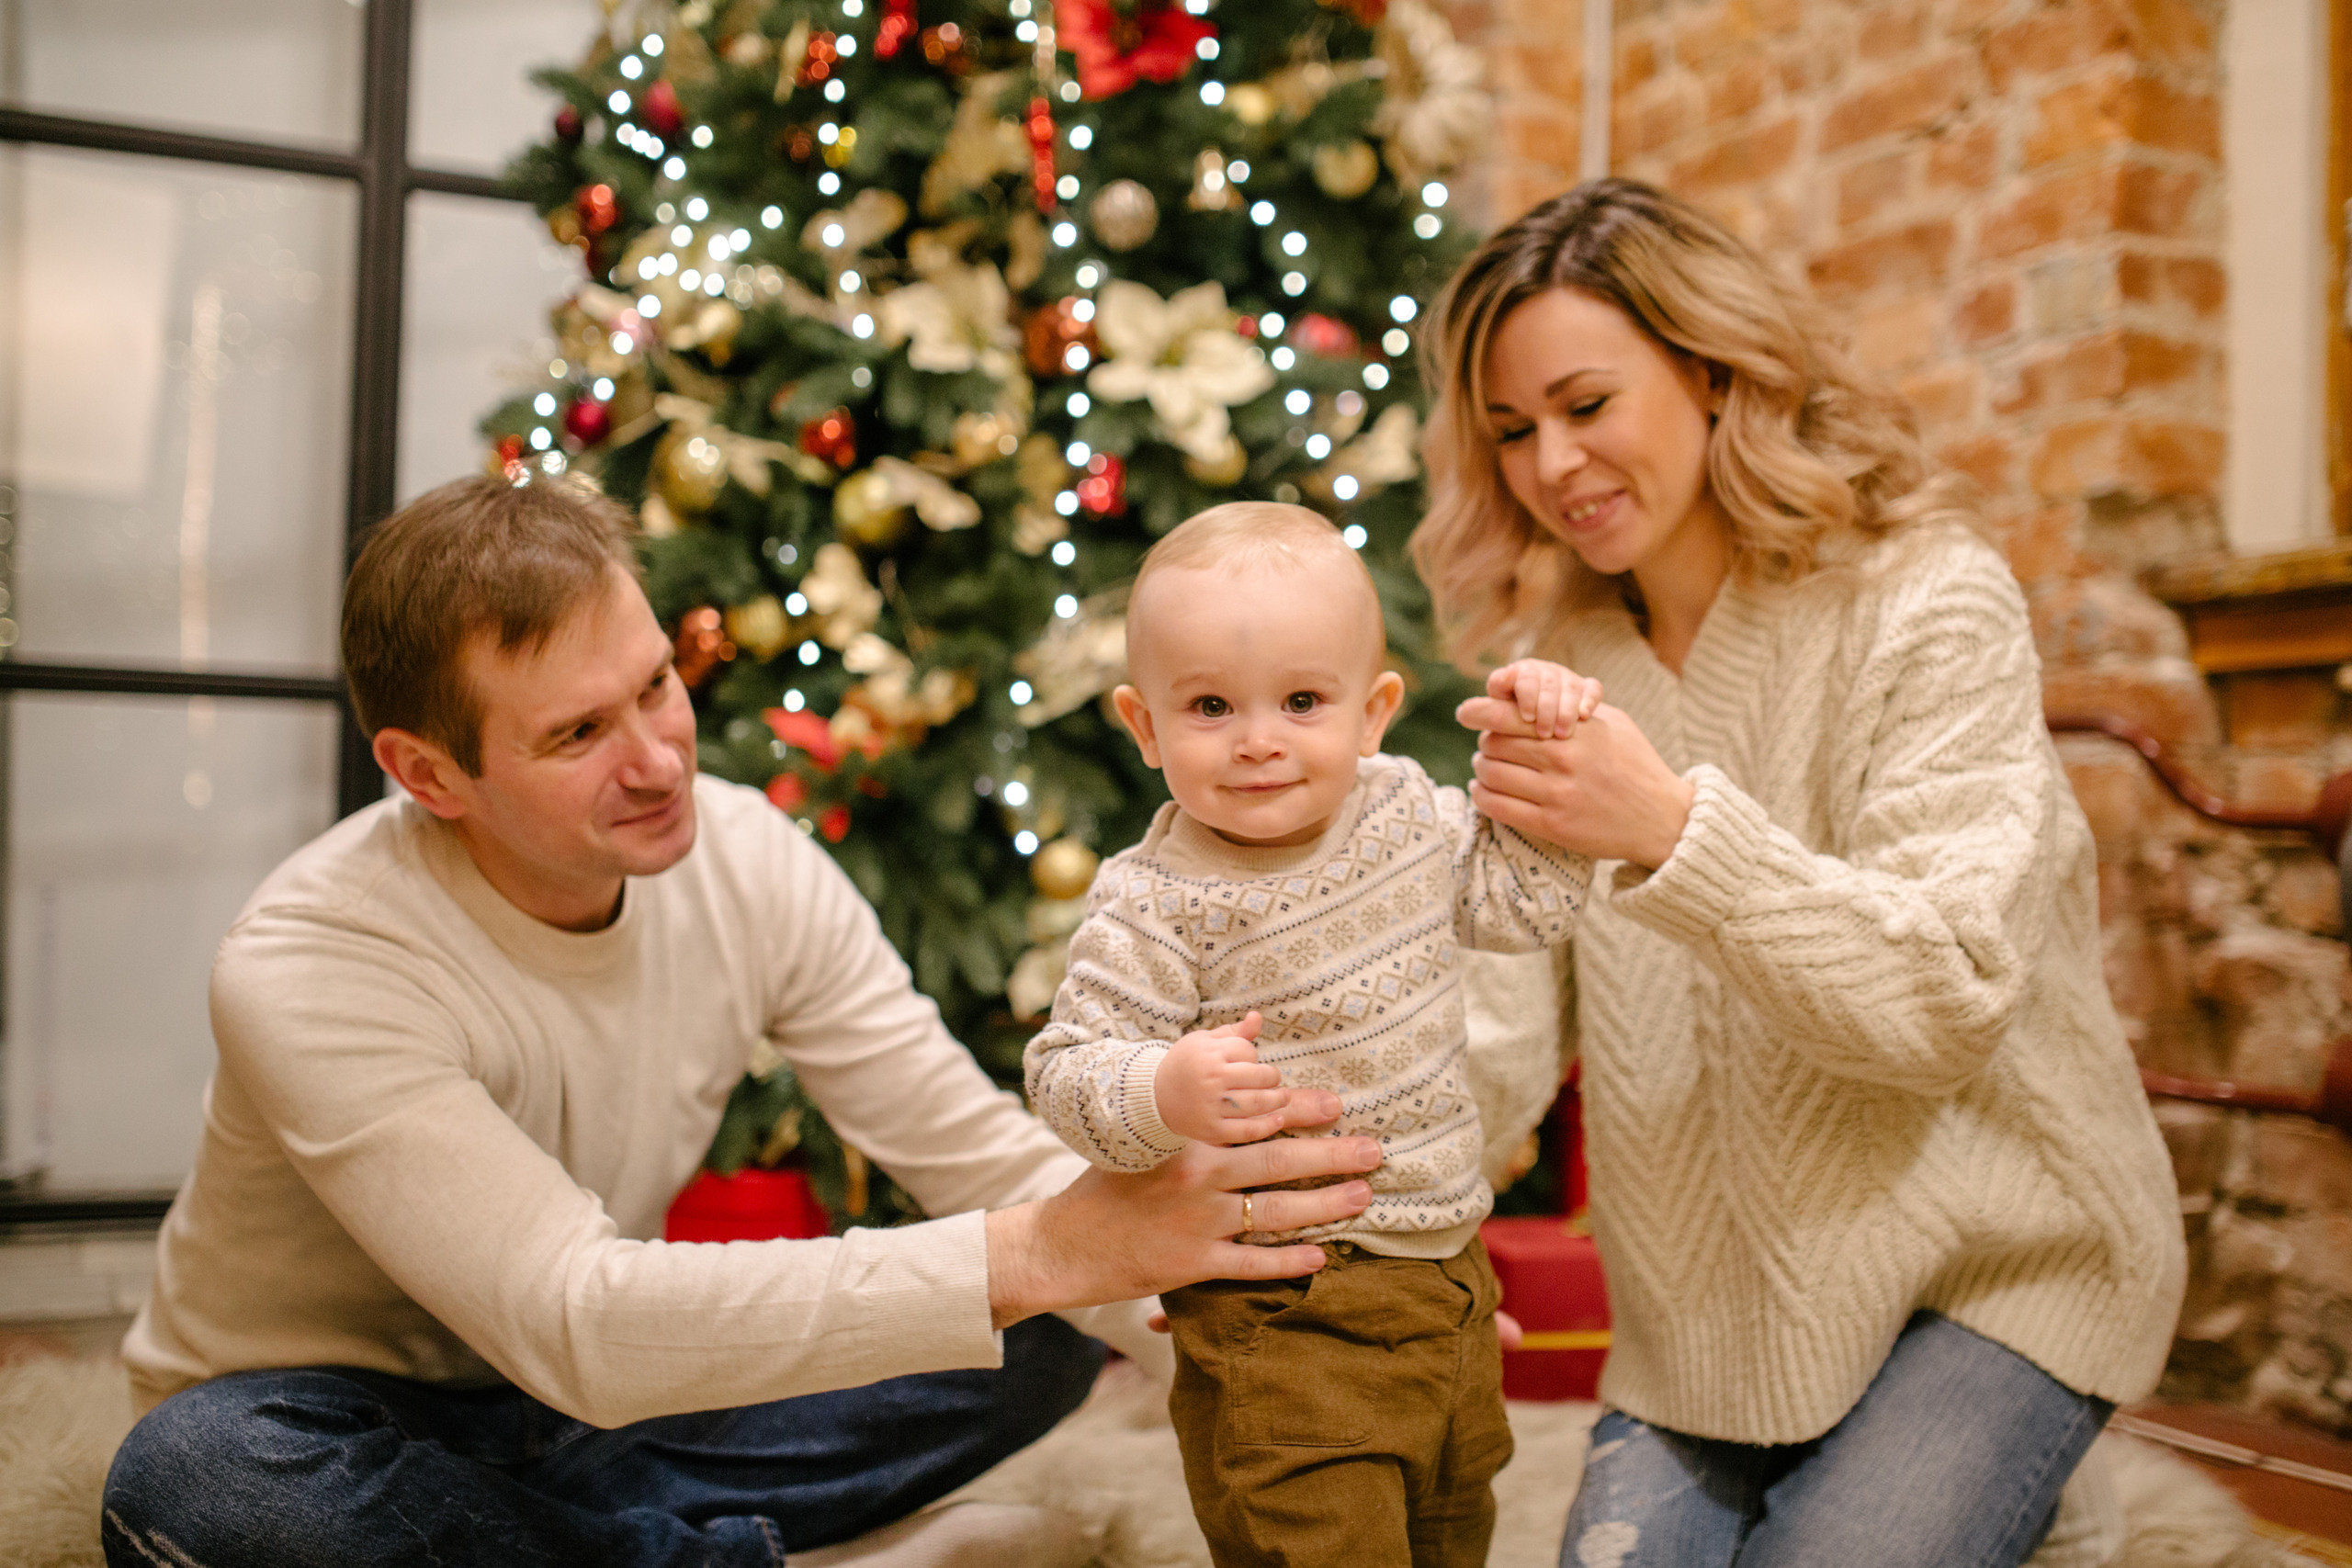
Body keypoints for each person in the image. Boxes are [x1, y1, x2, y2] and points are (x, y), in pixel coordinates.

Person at [100, 476, 1388, 1568]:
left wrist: (1329, 1312)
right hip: (333, 1413)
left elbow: (966, 1147)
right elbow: (576, 1318)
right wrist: (1052, 1246)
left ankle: (606, 1530)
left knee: (1036, 1329)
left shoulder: (746, 854)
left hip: (614, 1416)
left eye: (657, 682)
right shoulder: (314, 959)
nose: (661, 757)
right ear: (429, 773)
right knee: (197, 1478)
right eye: (579, 732)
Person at [1410, 177, 2188, 1568]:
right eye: (1513, 430)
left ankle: (2000, 1456)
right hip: (1706, 1330)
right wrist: (1331, 1214)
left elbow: (1945, 994)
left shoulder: (1927, 597)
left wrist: (1668, 832)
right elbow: (1493, 1040)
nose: (1552, 465)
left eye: (1587, 405)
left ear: (1711, 371)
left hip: (1998, 1271)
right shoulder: (1567, 665)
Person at [1023, 502, 1600, 1568]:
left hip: (1447, 1279)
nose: (1257, 739)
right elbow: (1065, 1073)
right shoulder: (1153, 902)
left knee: (1451, 1525)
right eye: (1207, 706)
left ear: (1372, 711)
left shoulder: (1406, 817)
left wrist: (1544, 749)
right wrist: (1163, 1088)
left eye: (1300, 700)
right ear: (1143, 726)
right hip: (1278, 1314)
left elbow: (1528, 905)